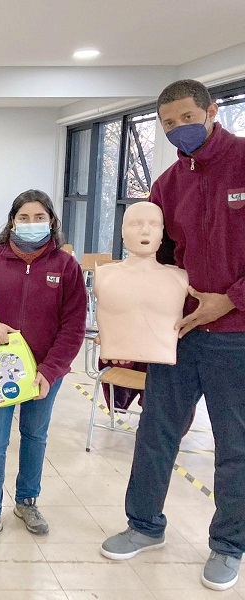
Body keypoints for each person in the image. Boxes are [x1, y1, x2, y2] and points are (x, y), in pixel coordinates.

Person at [100, 79, 245, 592]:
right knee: (157, 432)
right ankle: (144, 525)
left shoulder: (243, 161)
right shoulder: (166, 184)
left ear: (210, 111)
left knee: (235, 445)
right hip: (178, 333)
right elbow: (156, 257)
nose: (178, 129)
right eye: (167, 124)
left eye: (186, 118)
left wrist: (231, 299)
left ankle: (228, 546)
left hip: (236, 333)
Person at [0, 189, 86, 545]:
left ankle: (27, 501)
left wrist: (50, 371)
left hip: (45, 370)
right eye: (23, 218)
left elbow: (74, 325)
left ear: (52, 222)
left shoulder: (66, 266)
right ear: (12, 221)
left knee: (34, 436)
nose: (31, 224)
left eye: (39, 218)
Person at [94, 202, 188, 365]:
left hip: (164, 356)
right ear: (123, 232)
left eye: (154, 224)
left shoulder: (180, 278)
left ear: (162, 233)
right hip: (115, 354)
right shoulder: (104, 275)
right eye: (136, 224)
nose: (145, 231)